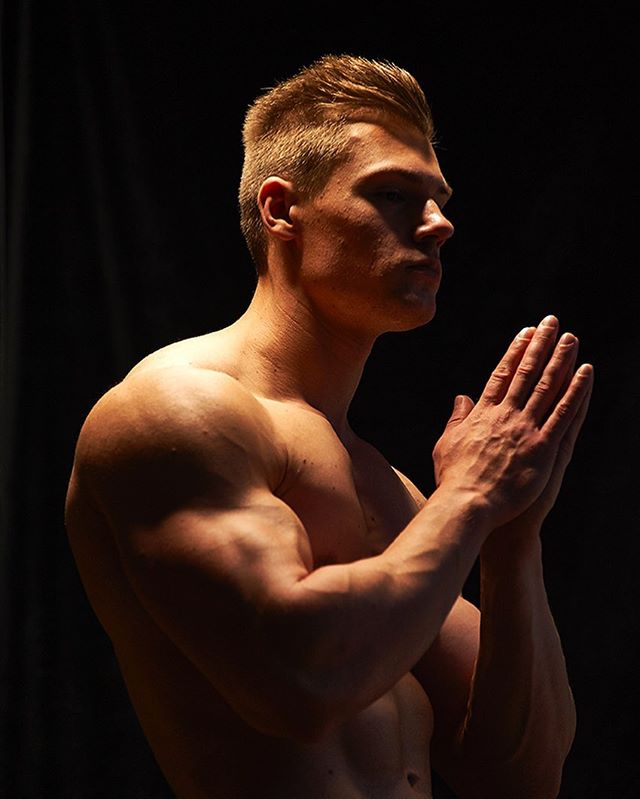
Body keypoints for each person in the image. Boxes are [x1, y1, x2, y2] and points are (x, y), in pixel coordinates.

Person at [65, 54, 594, 798]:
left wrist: (512, 540)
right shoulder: (177, 410)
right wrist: (469, 500)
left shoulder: (387, 486)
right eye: (392, 194)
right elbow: (299, 683)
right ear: (282, 210)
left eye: (439, 199)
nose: (440, 224)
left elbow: (522, 774)